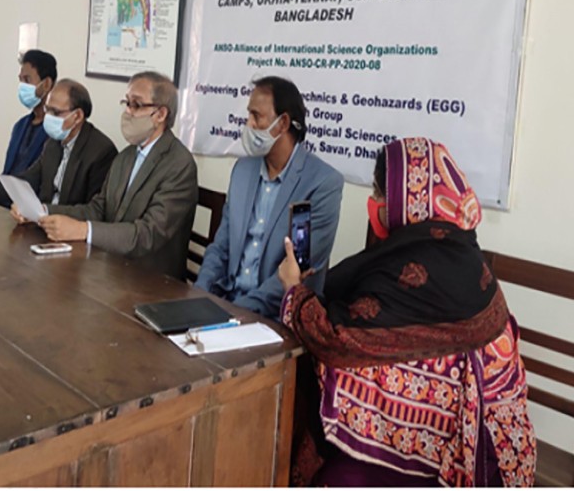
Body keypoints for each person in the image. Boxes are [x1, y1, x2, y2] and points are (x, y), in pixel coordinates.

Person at [277, 137, 536, 487]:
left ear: (407, 201)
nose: (375, 204)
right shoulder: (460, 250)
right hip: (482, 443)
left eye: (380, 194)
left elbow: (338, 341)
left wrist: (295, 292)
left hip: (463, 455)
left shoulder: (417, 268)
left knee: (332, 466)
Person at [21, 71, 198, 280]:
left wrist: (83, 231)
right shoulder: (126, 156)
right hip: (112, 269)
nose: (128, 112)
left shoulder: (179, 165)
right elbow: (99, 208)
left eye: (137, 105)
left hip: (152, 281)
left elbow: (147, 235)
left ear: (160, 115)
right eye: (127, 103)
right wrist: (43, 212)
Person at [194, 76, 343, 320]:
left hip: (276, 318)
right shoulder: (243, 170)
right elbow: (221, 246)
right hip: (226, 304)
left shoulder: (323, 183)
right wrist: (199, 295)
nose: (248, 124)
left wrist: (233, 314)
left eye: (256, 116)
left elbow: (297, 272)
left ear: (282, 123)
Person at [0, 79, 117, 207]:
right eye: (47, 109)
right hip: (42, 228)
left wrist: (44, 213)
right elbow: (24, 183)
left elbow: (92, 212)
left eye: (55, 112)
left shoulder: (101, 152)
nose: (48, 117)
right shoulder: (53, 144)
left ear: (78, 116)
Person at [4, 49, 58, 175]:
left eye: (27, 80)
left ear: (46, 84)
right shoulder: (19, 126)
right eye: (21, 80)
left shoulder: (56, 130)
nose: (22, 86)